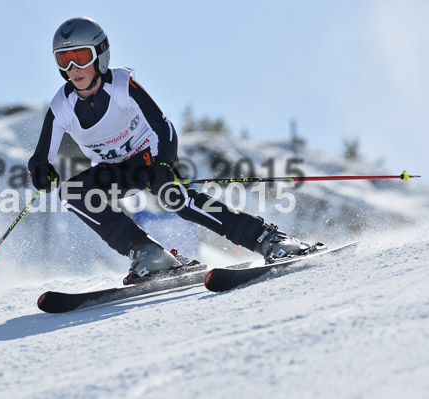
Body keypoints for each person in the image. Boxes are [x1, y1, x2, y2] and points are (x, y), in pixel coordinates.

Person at [28, 17, 314, 284]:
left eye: (81, 58)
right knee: (74, 193)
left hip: (149, 161)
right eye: (64, 60)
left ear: (100, 56)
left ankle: (268, 238)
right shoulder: (62, 106)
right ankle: (148, 254)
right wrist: (41, 171)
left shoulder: (122, 86)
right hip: (114, 172)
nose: (72, 69)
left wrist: (164, 163)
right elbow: (41, 158)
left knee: (176, 198)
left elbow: (163, 126)